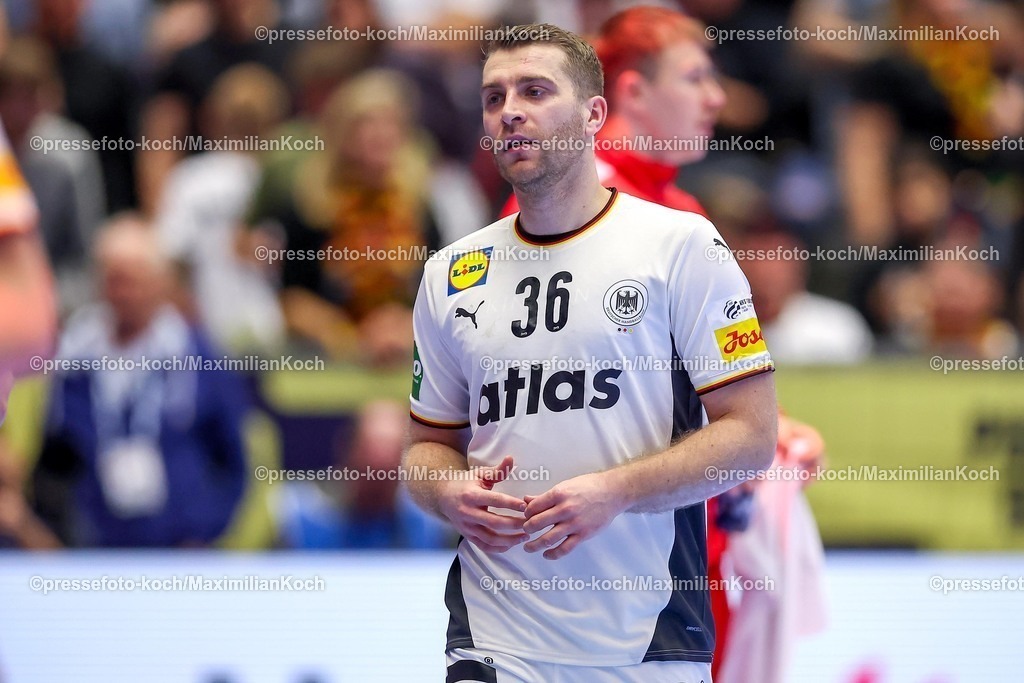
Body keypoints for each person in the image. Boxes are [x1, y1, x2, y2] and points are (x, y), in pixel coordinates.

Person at [403, 23, 777, 683]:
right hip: (495, 633)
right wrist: (448, 490)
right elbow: (426, 447)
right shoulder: (451, 273)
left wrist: (615, 491)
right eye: (494, 97)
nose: (510, 109)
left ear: (594, 113)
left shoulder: (681, 245)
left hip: (646, 636)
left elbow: (750, 437)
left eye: (535, 90)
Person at [32, 215, 248, 547]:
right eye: (113, 280)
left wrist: (207, 529)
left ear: (160, 282)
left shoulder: (196, 355)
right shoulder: (74, 356)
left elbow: (233, 455)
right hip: (94, 546)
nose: (123, 294)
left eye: (132, 281)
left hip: (180, 545)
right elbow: (54, 457)